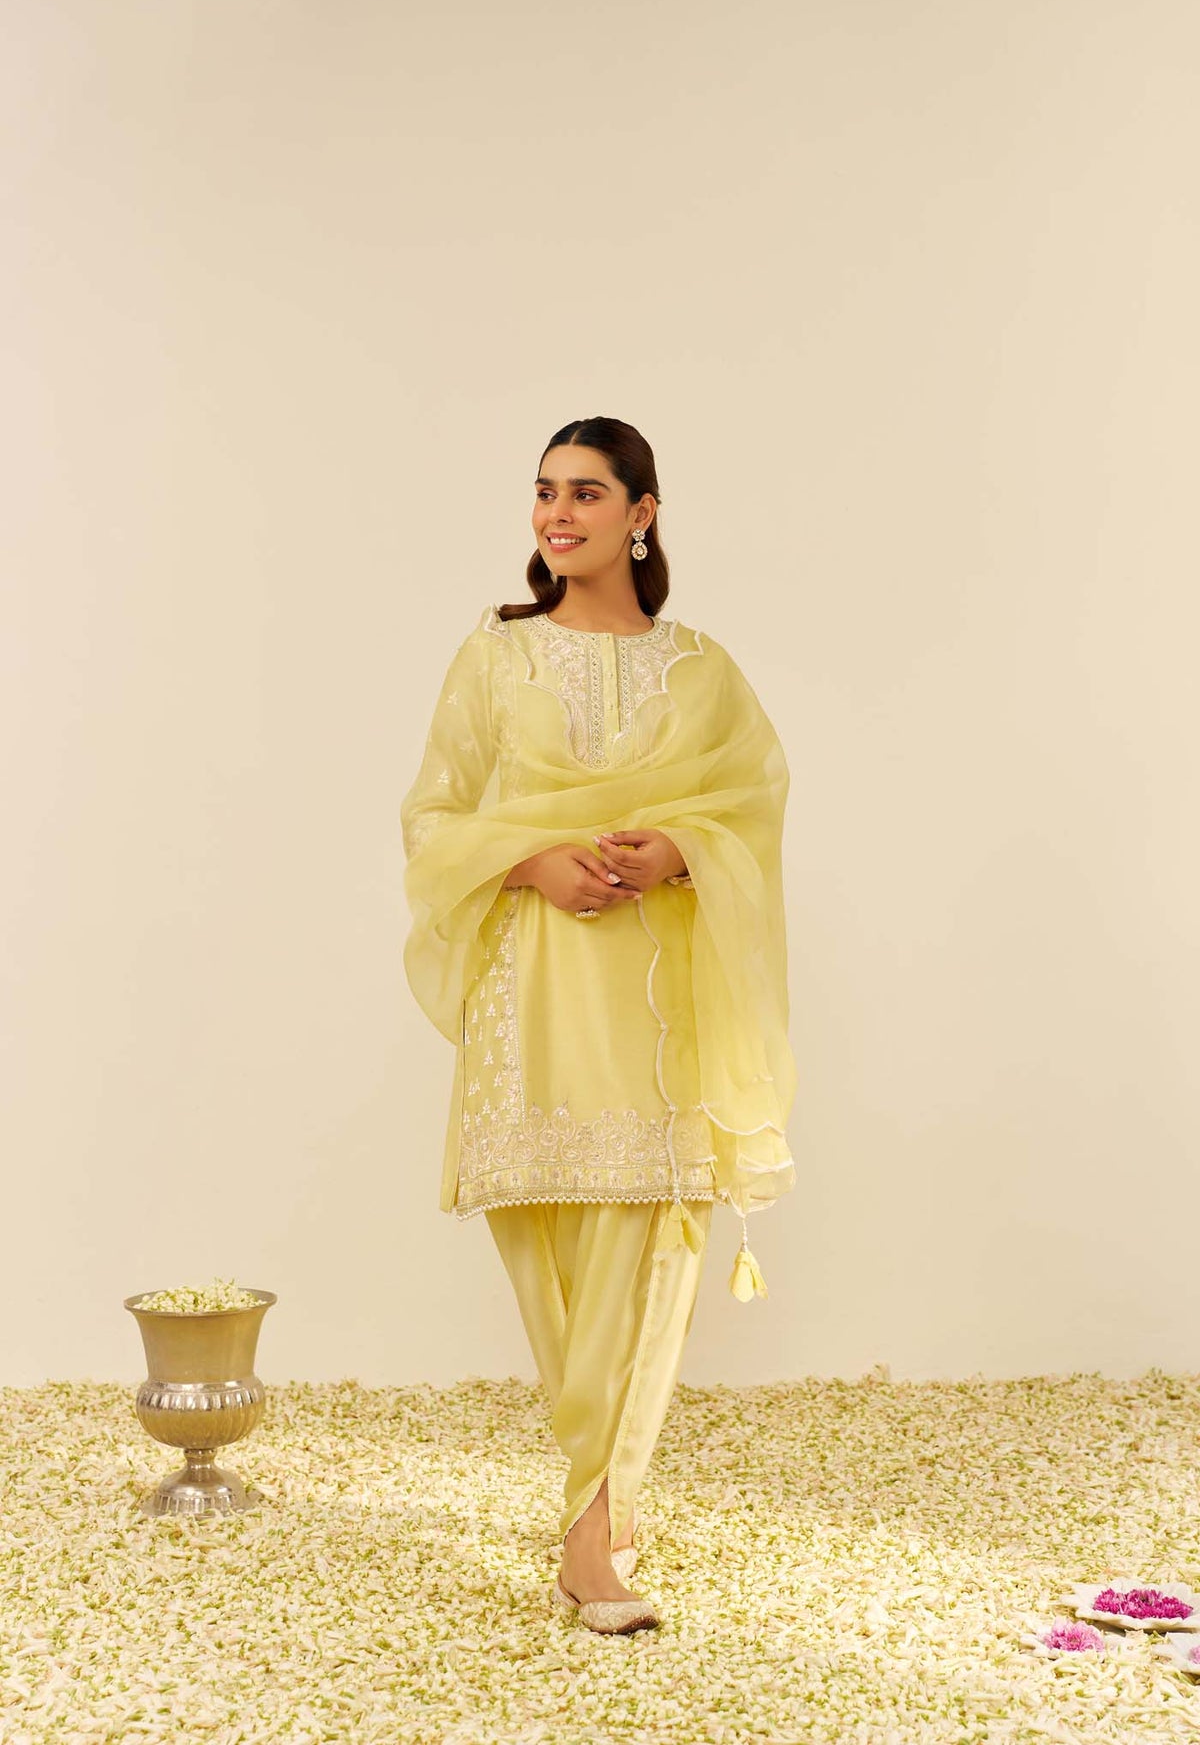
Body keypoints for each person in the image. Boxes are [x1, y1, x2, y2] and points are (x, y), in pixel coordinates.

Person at [400, 416, 797, 1634]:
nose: (556, 514)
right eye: (544, 493)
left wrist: (679, 845)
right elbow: (433, 818)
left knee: (656, 1240)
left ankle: (592, 1537)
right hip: (531, 985)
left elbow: (754, 802)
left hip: (657, 992)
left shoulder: (703, 669)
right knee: (553, 1259)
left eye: (584, 493)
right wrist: (531, 862)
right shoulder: (494, 657)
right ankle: (605, 1503)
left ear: (642, 513)